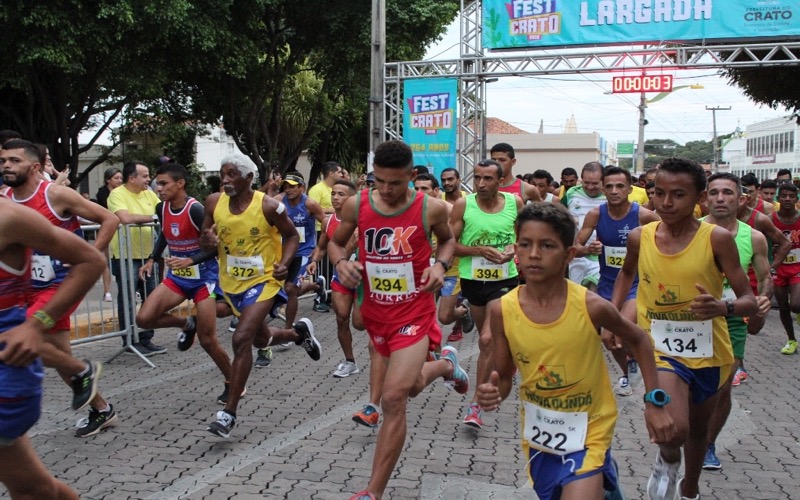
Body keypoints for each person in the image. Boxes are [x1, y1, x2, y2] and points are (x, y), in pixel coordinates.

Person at [476, 202, 674, 500]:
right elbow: (504, 377)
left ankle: (598, 477)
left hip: (591, 428)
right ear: (515, 250)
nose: (533, 254)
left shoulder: (590, 305)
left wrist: (654, 401)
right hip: (541, 433)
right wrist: (493, 390)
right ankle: (607, 486)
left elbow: (641, 340)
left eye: (547, 246)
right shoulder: (502, 310)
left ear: (569, 254)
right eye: (526, 245)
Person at [328, 140, 469, 499]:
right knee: (414, 385)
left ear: (411, 176)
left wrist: (440, 265)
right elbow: (334, 243)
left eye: (396, 183)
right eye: (379, 182)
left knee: (393, 398)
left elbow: (448, 241)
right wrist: (342, 263)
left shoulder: (432, 208)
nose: (387, 191)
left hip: (414, 313)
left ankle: (373, 491)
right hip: (377, 314)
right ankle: (446, 366)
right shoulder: (358, 204)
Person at [610, 157, 759, 500]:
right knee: (674, 429)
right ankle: (666, 458)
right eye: (658, 193)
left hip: (710, 351)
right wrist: (616, 314)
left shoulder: (717, 239)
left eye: (678, 194)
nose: (666, 202)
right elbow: (627, 274)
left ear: (699, 198)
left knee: (698, 432)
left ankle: (689, 487)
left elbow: (748, 300)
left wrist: (723, 307)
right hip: (659, 348)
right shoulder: (639, 237)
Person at [0, 139, 119, 438]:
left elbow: (110, 218)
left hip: (59, 286)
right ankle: (101, 406)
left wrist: (88, 252)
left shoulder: (55, 194)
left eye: (14, 161)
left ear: (35, 166)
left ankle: (85, 376)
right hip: (26, 289)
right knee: (57, 354)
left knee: (14, 339)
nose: (6, 166)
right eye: (3, 161)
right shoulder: (4, 200)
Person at [200, 153, 321, 438]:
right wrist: (206, 237)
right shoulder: (213, 202)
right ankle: (297, 334)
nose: (225, 180)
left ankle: (228, 413)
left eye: (232, 175)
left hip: (264, 280)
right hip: (230, 282)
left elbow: (291, 236)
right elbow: (204, 234)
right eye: (223, 174)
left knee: (241, 338)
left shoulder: (268, 206)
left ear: (249, 178)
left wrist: (284, 263)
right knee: (260, 338)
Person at [0, 197, 105, 499]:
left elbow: (92, 260)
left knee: (31, 489)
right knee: (33, 488)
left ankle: (81, 372)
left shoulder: (9, 216)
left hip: (7, 371)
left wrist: (36, 326)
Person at [135, 163, 233, 403]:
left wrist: (190, 259)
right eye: (157, 183)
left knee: (208, 339)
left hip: (204, 280)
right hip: (179, 278)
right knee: (144, 318)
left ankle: (232, 382)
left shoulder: (196, 209)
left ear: (180, 183)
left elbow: (217, 249)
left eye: (164, 183)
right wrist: (151, 259)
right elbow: (165, 236)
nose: (159, 188)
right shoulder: (162, 208)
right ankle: (186, 324)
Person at [701, 173, 772, 470]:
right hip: (693, 318)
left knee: (723, 388)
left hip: (732, 318)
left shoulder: (753, 237)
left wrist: (765, 298)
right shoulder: (690, 231)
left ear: (740, 199)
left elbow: (765, 276)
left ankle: (708, 445)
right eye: (714, 192)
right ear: (705, 198)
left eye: (727, 193)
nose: (720, 198)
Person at [574, 166, 660, 396]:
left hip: (636, 284)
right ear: (603, 188)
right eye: (609, 186)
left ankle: (646, 368)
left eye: (620, 186)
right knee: (608, 338)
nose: (614, 191)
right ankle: (628, 369)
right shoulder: (597, 215)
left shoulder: (643, 215)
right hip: (607, 284)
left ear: (630, 189)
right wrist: (586, 249)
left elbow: (667, 238)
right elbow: (574, 248)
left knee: (618, 330)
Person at [451, 159, 523, 429]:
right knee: (488, 343)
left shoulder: (514, 203)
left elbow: (523, 238)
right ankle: (505, 360)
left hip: (505, 279)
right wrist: (480, 251)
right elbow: (451, 245)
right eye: (477, 178)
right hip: (473, 279)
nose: (481, 184)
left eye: (488, 179)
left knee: (487, 339)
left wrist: (512, 252)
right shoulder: (463, 205)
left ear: (500, 180)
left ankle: (476, 405)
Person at [107, 161, 166, 355]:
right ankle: (130, 339)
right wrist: (152, 217)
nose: (149, 179)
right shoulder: (117, 194)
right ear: (132, 178)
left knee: (151, 297)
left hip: (149, 255)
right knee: (128, 298)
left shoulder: (149, 194)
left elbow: (164, 212)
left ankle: (146, 338)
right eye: (145, 175)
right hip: (125, 255)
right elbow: (124, 218)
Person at [308, 180, 362, 378]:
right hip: (341, 276)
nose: (336, 198)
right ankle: (350, 362)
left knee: (360, 322)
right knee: (341, 318)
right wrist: (314, 261)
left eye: (341, 194)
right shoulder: (328, 221)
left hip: (362, 277)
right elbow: (322, 247)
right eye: (334, 194)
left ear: (352, 199)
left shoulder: (363, 220)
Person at [414, 174, 474, 342]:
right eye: (416, 188)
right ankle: (430, 350)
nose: (420, 192)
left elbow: (462, 236)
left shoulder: (449, 210)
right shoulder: (412, 211)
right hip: (426, 270)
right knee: (425, 314)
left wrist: (443, 246)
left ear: (435, 191)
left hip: (451, 270)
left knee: (445, 317)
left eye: (424, 188)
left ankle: (464, 310)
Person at [272, 172, 327, 347]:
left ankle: (288, 332)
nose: (288, 190)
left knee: (290, 288)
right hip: (283, 252)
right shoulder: (279, 202)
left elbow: (326, 223)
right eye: (285, 187)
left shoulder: (309, 203)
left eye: (292, 186)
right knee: (287, 290)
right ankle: (317, 285)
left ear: (301, 188)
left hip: (303, 252)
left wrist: (319, 249)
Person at [564, 162, 606, 292]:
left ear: (603, 181)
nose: (590, 187)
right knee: (576, 294)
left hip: (600, 257)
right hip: (577, 255)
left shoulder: (610, 196)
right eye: (586, 182)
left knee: (595, 292)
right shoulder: (571, 193)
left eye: (595, 183)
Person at [770, 182, 800, 355]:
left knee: (795, 304)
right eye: (784, 196)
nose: (788, 199)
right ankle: (791, 340)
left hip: (797, 267)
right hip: (778, 268)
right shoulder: (769, 219)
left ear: (796, 199)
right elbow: (761, 243)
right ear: (778, 198)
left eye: (791, 196)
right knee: (782, 306)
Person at [96, 167, 123, 302]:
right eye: (116, 178)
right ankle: (107, 291)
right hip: (107, 228)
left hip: (121, 230)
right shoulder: (102, 193)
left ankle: (132, 288)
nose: (119, 181)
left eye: (120, 178)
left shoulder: (124, 192)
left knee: (122, 259)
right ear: (108, 180)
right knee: (106, 260)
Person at [308, 161, 341, 232]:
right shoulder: (316, 189)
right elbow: (311, 210)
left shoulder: (337, 189)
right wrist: (329, 210)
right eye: (339, 172)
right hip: (319, 229)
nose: (341, 175)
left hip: (335, 228)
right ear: (331, 174)